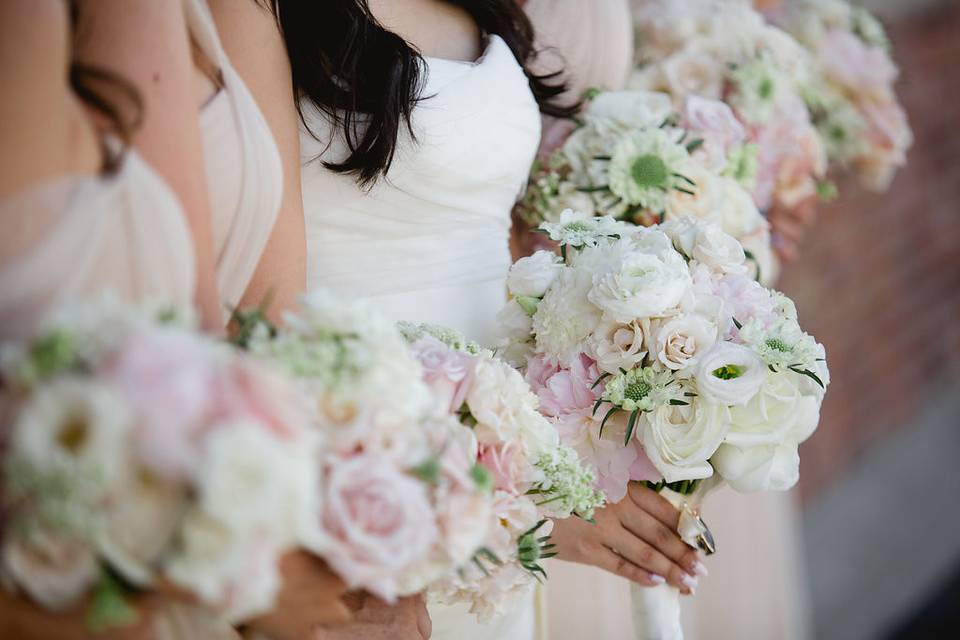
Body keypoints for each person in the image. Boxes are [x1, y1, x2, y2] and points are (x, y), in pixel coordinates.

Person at [262, 1, 705, 637]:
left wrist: (565, 464)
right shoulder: (263, 12)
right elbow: (261, 302)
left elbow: (518, 251)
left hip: (510, 467)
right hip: (357, 479)